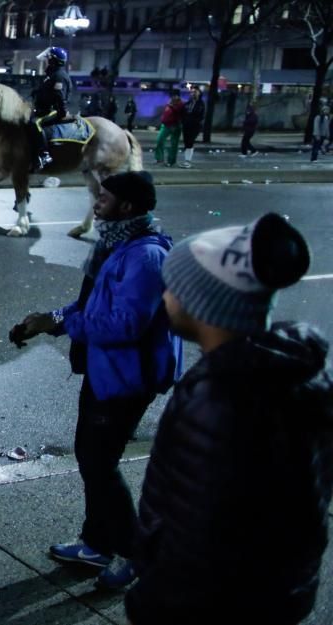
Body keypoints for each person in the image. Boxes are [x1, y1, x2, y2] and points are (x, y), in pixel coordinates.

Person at [126, 213, 332, 625]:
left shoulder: (221, 400)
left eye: (174, 286)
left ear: (201, 303)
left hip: (211, 606)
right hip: (280, 591)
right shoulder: (299, 376)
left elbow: (196, 531)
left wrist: (151, 600)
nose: (165, 296)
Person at [8, 171, 181, 590]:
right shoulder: (116, 243)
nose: (97, 201)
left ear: (126, 206)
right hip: (106, 371)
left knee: (98, 463)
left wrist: (65, 323)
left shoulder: (144, 256)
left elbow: (126, 323)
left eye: (104, 196)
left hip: (127, 376)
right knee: (92, 458)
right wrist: (53, 320)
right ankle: (96, 543)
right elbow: (91, 304)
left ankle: (139, 555)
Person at [30, 46, 73, 171]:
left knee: (35, 123)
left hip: (54, 110)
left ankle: (44, 154)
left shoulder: (59, 76)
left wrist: (62, 112)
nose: (47, 61)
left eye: (49, 59)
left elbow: (59, 97)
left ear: (55, 61)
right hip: (43, 109)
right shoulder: (51, 74)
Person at [152, 90, 184, 168]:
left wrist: (171, 106)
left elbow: (178, 114)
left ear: (178, 96)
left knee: (173, 144)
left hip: (174, 126)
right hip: (166, 125)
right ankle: (159, 158)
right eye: (172, 96)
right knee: (160, 140)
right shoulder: (170, 102)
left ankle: (171, 161)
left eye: (174, 96)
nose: (173, 97)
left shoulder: (180, 104)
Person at [178, 85, 205, 168]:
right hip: (186, 125)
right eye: (192, 92)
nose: (193, 94)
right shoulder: (188, 103)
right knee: (186, 142)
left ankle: (188, 161)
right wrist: (183, 121)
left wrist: (194, 122)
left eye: (195, 92)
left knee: (190, 142)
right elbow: (183, 112)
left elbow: (200, 115)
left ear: (199, 93)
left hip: (194, 126)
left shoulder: (200, 104)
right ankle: (186, 160)